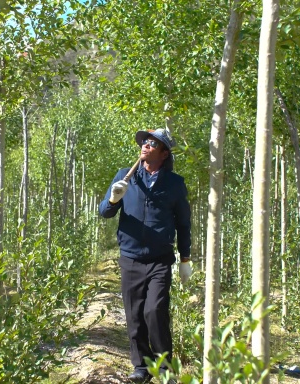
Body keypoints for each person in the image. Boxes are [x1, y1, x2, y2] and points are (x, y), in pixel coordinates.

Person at [98, 128, 192, 383]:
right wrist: (114, 199)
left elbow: (183, 223)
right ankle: (140, 366)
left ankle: (163, 368)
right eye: (144, 142)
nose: (145, 146)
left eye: (153, 144)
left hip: (160, 259)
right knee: (135, 314)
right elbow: (104, 212)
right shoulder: (125, 177)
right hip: (130, 258)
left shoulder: (174, 183)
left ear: (163, 153)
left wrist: (185, 259)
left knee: (155, 310)